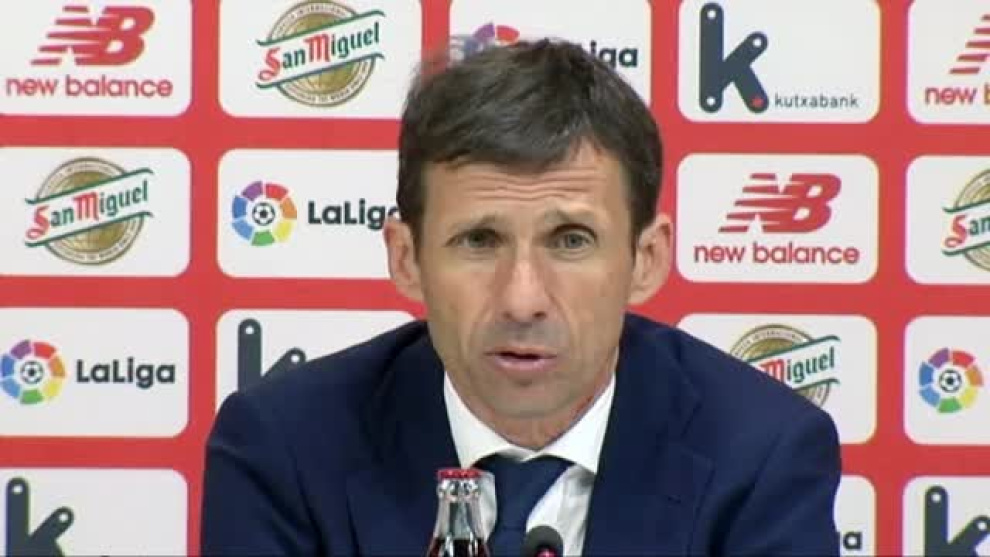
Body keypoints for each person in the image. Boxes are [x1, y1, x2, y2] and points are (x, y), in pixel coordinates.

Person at [200, 39, 841, 556]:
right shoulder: (283, 447)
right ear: (407, 259)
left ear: (646, 259)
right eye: (479, 240)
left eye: (571, 240)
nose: (522, 300)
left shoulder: (760, 454)